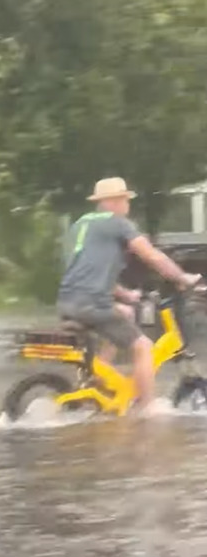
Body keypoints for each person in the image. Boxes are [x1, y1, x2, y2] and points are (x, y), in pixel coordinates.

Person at [58, 177, 200, 415]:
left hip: (68, 301)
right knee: (143, 346)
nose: (128, 206)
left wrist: (127, 294)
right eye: (126, 200)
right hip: (93, 303)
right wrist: (183, 278)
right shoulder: (117, 223)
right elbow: (152, 256)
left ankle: (102, 378)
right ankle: (147, 410)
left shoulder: (79, 226)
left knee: (126, 312)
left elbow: (88, 271)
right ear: (114, 201)